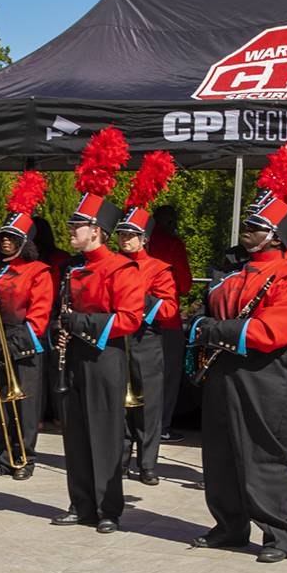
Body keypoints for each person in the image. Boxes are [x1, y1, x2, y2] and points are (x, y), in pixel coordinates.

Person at [188, 142, 287, 562]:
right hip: (223, 373)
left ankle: (279, 534)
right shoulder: (232, 268)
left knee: (265, 455)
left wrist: (213, 329)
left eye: (255, 225)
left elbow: (271, 331)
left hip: (266, 376)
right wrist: (203, 322)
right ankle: (229, 526)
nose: (245, 231)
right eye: (247, 224)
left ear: (276, 234)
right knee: (220, 451)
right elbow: (204, 309)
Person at [52, 135, 143, 534]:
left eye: (77, 226)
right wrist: (63, 328)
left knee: (105, 433)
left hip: (105, 357)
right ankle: (82, 503)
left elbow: (129, 319)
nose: (71, 230)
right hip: (74, 355)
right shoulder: (72, 268)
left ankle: (109, 509)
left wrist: (81, 325)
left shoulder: (122, 268)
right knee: (75, 431)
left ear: (97, 230)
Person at [115, 154, 180, 485]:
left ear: (144, 238)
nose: (125, 239)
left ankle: (149, 464)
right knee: (121, 406)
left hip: (146, 340)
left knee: (149, 406)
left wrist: (137, 298)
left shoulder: (158, 267)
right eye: (122, 234)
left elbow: (168, 308)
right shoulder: (112, 264)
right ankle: (122, 459)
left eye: (131, 235)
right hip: (118, 340)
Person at [0, 180, 54, 480]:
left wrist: (12, 344)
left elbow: (39, 315)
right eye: (3, 237)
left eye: (12, 239)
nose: (5, 242)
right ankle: (3, 457)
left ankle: (25, 458)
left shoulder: (38, 271)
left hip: (24, 344)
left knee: (25, 406)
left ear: (24, 242)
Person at [146, 205, 194, 441]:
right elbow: (184, 285)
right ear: (166, 219)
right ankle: (161, 427)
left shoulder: (137, 237)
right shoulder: (172, 242)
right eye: (173, 219)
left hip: (134, 318)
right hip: (166, 320)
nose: (175, 224)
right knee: (167, 376)